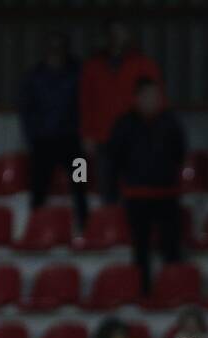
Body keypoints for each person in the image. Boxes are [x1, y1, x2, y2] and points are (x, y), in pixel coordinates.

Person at [107, 78, 187, 295]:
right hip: (137, 196)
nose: (153, 100)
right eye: (148, 95)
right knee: (140, 249)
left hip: (166, 194)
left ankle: (174, 290)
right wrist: (113, 193)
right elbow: (113, 159)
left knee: (171, 247)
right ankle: (143, 293)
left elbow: (180, 153)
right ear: (138, 98)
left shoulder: (170, 122)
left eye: (156, 95)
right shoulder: (124, 124)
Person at [80, 21, 163, 204]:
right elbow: (86, 102)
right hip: (104, 138)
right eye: (113, 33)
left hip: (135, 138)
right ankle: (111, 230)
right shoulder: (93, 66)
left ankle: (134, 228)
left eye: (121, 32)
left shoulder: (143, 64)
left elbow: (156, 100)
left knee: (137, 189)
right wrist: (87, 134)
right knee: (107, 189)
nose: (117, 38)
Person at [19, 32, 88, 234]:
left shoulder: (78, 73)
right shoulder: (35, 76)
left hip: (73, 140)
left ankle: (85, 226)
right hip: (43, 141)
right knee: (38, 188)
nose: (56, 53)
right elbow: (26, 108)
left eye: (60, 48)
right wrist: (33, 134)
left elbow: (87, 105)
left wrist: (84, 132)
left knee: (80, 184)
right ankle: (36, 227)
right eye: (52, 49)